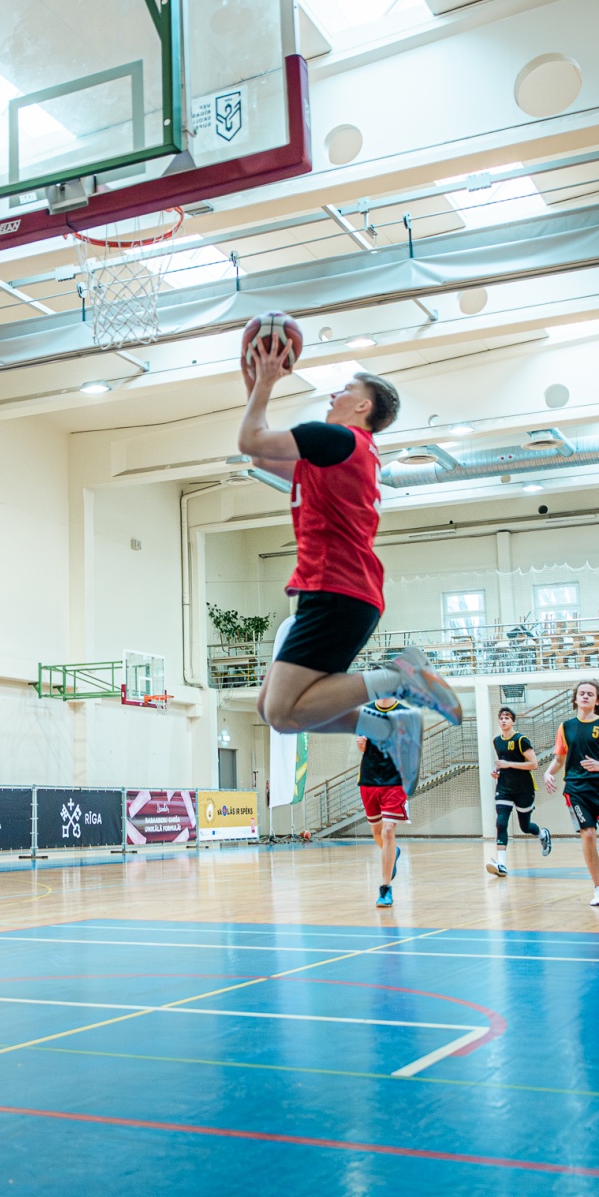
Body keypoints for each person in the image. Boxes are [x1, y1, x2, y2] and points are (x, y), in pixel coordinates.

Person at [235, 317, 464, 796]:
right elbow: (260, 454)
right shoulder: (343, 452)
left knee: (282, 713)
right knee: (272, 710)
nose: (333, 394)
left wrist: (266, 382)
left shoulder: (336, 439)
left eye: (345, 389)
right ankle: (386, 726)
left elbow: (250, 440)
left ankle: (398, 678)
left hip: (336, 590)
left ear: (363, 406)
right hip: (341, 592)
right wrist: (254, 381)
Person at [542, 680, 599, 907]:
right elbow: (559, 759)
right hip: (576, 789)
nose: (585, 696)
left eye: (590, 694)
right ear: (575, 699)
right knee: (588, 834)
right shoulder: (565, 727)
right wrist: (548, 772)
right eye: (581, 693)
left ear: (597, 700)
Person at [354, 698, 410, 908]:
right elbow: (363, 746)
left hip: (394, 781)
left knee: (388, 831)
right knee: (377, 832)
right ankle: (393, 853)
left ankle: (385, 889)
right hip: (369, 780)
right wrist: (362, 746)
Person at [489, 706, 550, 877]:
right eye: (501, 718)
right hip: (504, 788)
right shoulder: (496, 741)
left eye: (507, 718)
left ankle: (542, 834)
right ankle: (501, 863)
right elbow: (502, 762)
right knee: (501, 822)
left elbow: (534, 764)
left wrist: (508, 764)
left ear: (513, 722)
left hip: (524, 789)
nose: (503, 720)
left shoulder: (521, 740)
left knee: (525, 827)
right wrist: (497, 770)